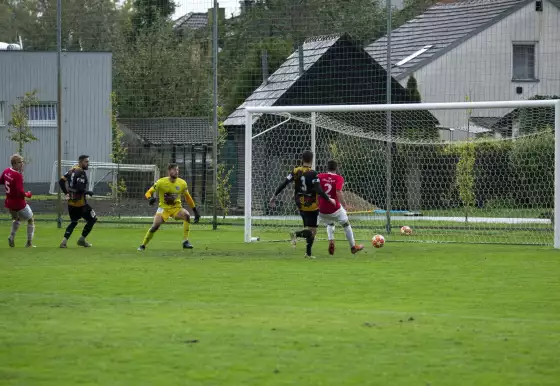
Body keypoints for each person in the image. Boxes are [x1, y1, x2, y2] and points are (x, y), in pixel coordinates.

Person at [269, 150, 335, 259]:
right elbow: (318, 190)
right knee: (312, 231)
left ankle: (307, 254)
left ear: (302, 159)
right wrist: (329, 199)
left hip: (299, 203)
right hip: (311, 205)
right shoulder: (313, 174)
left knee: (308, 229)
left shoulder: (295, 171)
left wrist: (274, 196)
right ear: (312, 160)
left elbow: (284, 183)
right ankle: (296, 235)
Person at [138, 163, 201, 251]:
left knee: (186, 215)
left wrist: (195, 211)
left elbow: (188, 197)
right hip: (163, 209)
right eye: (175, 170)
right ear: (169, 171)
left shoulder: (182, 183)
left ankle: (185, 241)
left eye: (178, 170)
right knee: (155, 226)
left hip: (176, 208)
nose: (177, 172)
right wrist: (150, 198)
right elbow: (148, 192)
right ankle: (143, 245)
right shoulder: (161, 182)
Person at [318, 160, 364, 255]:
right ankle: (353, 246)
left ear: (327, 167)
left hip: (321, 210)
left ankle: (331, 240)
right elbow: (338, 192)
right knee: (346, 224)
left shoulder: (320, 176)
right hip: (335, 209)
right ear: (336, 168)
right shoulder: (339, 178)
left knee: (330, 223)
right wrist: (345, 205)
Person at [58, 155, 97, 248]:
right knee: (93, 218)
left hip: (71, 203)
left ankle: (64, 242)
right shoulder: (81, 172)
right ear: (81, 162)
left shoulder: (72, 170)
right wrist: (88, 192)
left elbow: (61, 181)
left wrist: (66, 193)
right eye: (86, 162)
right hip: (81, 204)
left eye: (88, 162)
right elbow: (79, 189)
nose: (88, 164)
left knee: (74, 221)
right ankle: (82, 239)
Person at [0, 154, 35, 247]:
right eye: (20, 162)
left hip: (9, 202)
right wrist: (28, 194)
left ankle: (11, 237)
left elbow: (1, 181)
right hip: (19, 203)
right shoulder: (17, 175)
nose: (22, 164)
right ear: (14, 163)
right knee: (31, 219)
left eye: (22, 162)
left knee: (16, 219)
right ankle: (29, 243)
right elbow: (20, 191)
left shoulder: (6, 171)